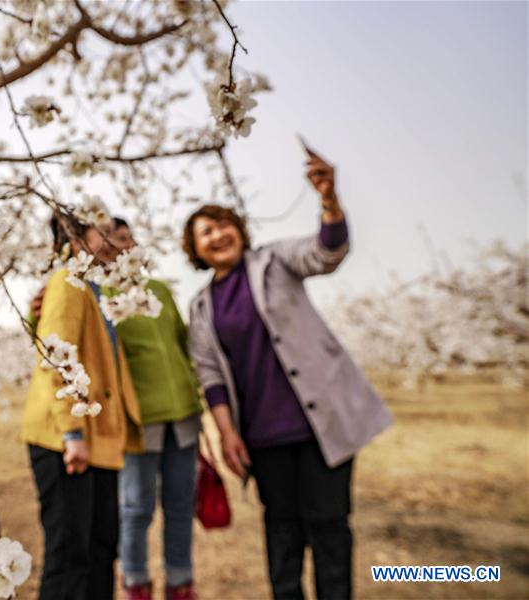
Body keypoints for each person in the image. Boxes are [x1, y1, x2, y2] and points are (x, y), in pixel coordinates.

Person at [184, 148, 393, 600]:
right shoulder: (201, 307)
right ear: (195, 249)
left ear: (239, 231)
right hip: (263, 436)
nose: (218, 234)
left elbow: (326, 252)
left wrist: (329, 199)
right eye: (206, 232)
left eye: (223, 224)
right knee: (282, 533)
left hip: (320, 426)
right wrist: (226, 434)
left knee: (329, 525)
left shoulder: (275, 261)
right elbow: (210, 375)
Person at [33, 218, 203, 600]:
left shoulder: (155, 290)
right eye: (109, 237)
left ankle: (180, 581)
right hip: (129, 422)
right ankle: (137, 581)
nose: (118, 244)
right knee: (131, 512)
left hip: (174, 418)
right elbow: (56, 344)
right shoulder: (93, 290)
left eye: (125, 237)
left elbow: (182, 344)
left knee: (169, 511)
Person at [22, 215, 143, 600]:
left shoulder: (94, 289)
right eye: (101, 232)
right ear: (75, 239)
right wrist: (72, 434)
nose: (110, 240)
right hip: (68, 440)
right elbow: (57, 358)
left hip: (98, 441)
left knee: (101, 548)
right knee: (70, 552)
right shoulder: (67, 282)